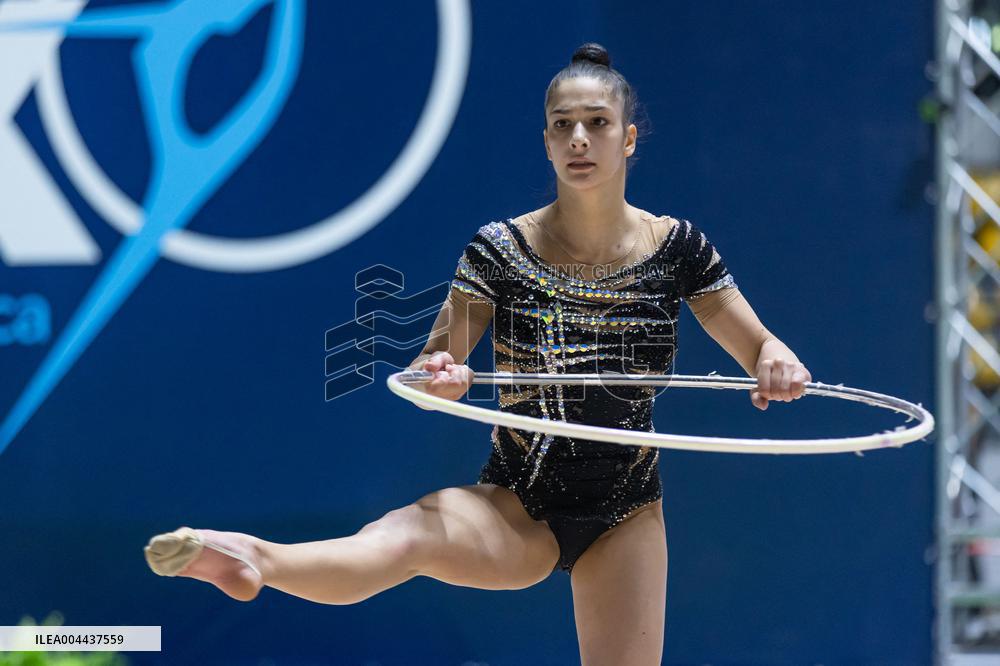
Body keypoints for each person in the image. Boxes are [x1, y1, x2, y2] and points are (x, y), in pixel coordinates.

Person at [144, 43, 812, 665]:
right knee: (407, 535)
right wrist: (440, 375)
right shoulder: (500, 250)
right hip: (517, 502)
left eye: (598, 123)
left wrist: (777, 360)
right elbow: (431, 364)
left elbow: (758, 345)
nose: (580, 139)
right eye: (563, 125)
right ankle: (253, 556)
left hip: (626, 510)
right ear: (547, 140)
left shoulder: (678, 249)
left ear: (628, 138)